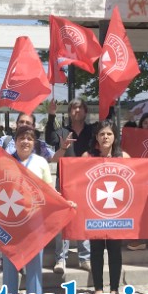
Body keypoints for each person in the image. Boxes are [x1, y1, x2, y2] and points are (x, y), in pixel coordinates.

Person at [3, 125, 69, 294]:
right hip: (11, 220)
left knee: (34, 262)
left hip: (34, 221)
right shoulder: (5, 162)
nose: (25, 142)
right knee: (10, 263)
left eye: (30, 139)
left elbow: (50, 192)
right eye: (22, 138)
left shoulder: (40, 162)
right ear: (15, 141)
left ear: (34, 143)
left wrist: (66, 203)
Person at [0, 112, 55, 279]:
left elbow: (52, 161)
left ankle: (23, 264)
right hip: (8, 202)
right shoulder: (5, 141)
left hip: (31, 207)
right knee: (3, 239)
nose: (23, 124)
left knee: (27, 243)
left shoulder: (39, 148)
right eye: (21, 121)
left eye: (27, 122)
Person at [81, 119, 130, 294]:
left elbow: (137, 181)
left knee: (115, 251)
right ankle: (98, 288)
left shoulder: (123, 157)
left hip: (117, 213)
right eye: (102, 134)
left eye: (109, 133)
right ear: (96, 137)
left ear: (115, 136)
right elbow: (77, 181)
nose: (105, 137)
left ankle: (115, 289)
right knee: (96, 250)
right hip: (95, 212)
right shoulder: (88, 156)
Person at [46, 98, 92, 274]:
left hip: (87, 180)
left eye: (80, 107)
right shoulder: (63, 131)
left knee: (83, 217)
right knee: (62, 218)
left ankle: (85, 258)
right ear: (69, 112)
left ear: (85, 111)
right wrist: (51, 115)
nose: (77, 110)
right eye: (74, 108)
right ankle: (60, 259)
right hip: (64, 180)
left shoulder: (92, 130)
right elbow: (50, 138)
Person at [127, 112, 148, 251]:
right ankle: (137, 239)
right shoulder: (134, 139)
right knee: (137, 210)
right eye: (145, 123)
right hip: (138, 181)